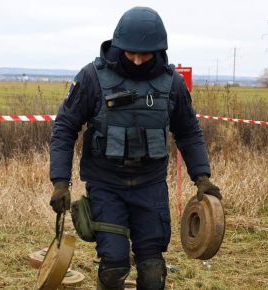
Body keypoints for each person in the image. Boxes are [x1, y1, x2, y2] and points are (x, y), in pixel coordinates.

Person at [49, 7, 222, 290]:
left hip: (150, 186)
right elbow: (64, 128)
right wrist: (59, 182)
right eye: (131, 53)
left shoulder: (173, 84)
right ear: (119, 45)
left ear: (159, 50)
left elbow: (189, 132)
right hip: (106, 184)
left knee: (153, 271)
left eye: (146, 54)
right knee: (114, 263)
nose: (139, 60)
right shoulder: (92, 78)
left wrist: (201, 177)